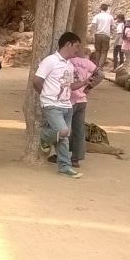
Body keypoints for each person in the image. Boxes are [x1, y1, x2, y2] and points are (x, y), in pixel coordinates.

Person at [33, 32, 91, 179]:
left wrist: (84, 83)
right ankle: (44, 136)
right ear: (68, 44)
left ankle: (64, 166)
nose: (77, 50)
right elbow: (37, 81)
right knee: (63, 131)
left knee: (63, 138)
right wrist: (45, 95)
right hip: (52, 104)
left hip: (67, 105)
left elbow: (69, 86)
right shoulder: (50, 61)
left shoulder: (69, 65)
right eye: (76, 46)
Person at [53, 49, 103, 169]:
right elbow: (101, 75)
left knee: (65, 130)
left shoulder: (67, 61)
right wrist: (89, 87)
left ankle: (62, 156)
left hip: (69, 100)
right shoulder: (87, 63)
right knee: (79, 131)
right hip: (82, 100)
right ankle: (76, 159)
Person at [90, 3, 113, 68]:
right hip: (106, 35)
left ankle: (96, 65)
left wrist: (91, 34)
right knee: (104, 51)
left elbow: (93, 25)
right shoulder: (110, 17)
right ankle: (100, 66)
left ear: (100, 8)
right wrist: (109, 34)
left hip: (98, 34)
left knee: (98, 50)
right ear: (107, 9)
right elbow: (111, 27)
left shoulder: (97, 16)